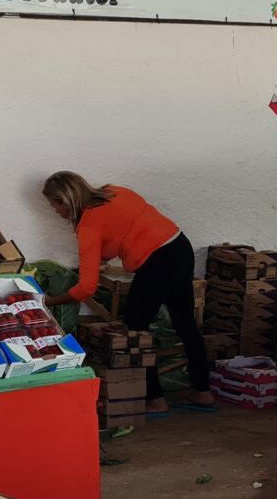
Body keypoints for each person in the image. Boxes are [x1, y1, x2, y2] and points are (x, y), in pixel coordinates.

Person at [40, 172, 211, 416]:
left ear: (65, 201)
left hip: (156, 262)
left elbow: (87, 288)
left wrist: (52, 300)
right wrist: (102, 257)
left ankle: (155, 400)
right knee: (185, 322)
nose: (55, 212)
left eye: (54, 205)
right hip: (179, 246)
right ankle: (203, 392)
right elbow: (125, 227)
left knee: (135, 331)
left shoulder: (88, 227)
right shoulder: (115, 191)